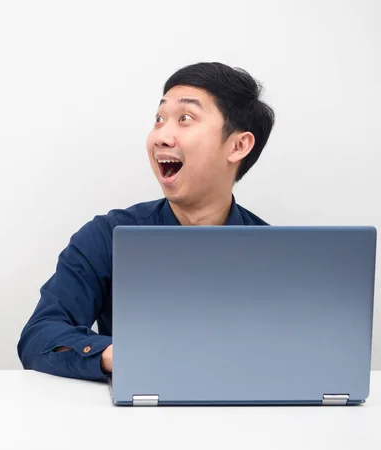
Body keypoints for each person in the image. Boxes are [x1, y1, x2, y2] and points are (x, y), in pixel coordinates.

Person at [17, 62, 275, 381]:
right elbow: (40, 337)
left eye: (185, 119)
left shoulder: (275, 253)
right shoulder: (106, 237)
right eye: (159, 119)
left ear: (238, 146)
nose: (162, 137)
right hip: (136, 420)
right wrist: (121, 355)